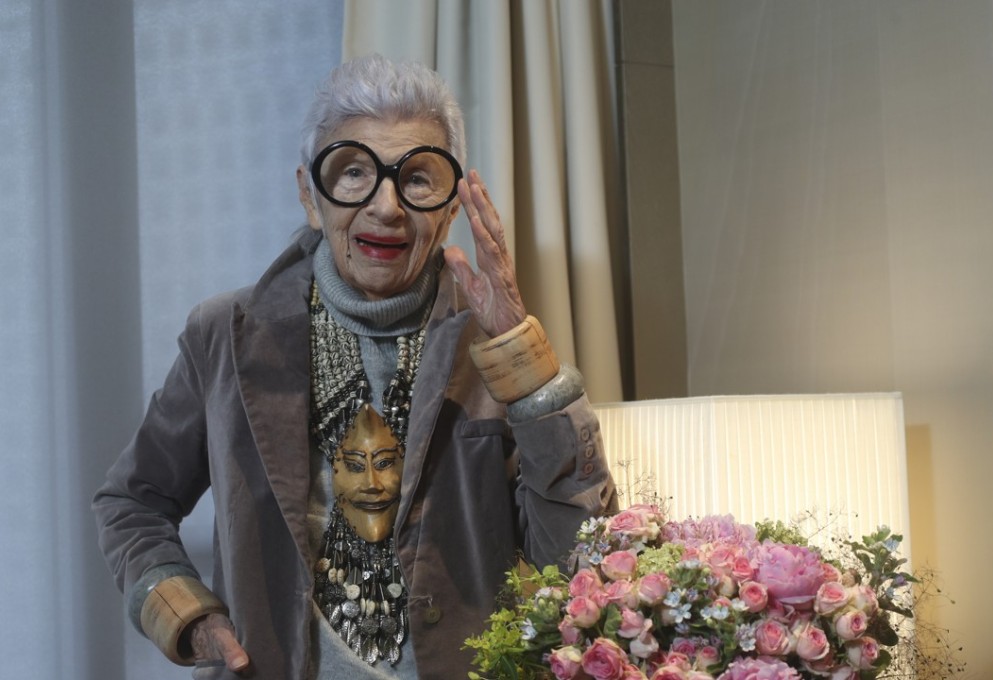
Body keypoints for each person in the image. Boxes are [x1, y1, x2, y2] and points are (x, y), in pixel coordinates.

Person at [93, 54, 616, 679]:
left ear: (449, 207)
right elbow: (132, 500)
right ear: (310, 196)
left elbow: (578, 559)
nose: (387, 207)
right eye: (353, 174)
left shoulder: (496, 346)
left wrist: (522, 359)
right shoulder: (226, 336)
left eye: (416, 178)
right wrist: (184, 613)